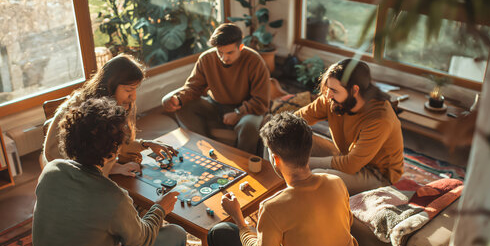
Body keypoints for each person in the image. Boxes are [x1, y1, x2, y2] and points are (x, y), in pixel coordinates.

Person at [32, 97, 204, 246]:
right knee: (175, 234)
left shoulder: (52, 170)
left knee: (119, 234)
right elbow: (143, 239)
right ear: (112, 150)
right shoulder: (112, 197)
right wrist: (160, 209)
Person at [207, 112, 363, 246]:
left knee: (218, 233)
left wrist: (239, 219)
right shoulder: (335, 182)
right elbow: (346, 223)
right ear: (307, 149)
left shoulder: (273, 207)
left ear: (275, 158)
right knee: (274, 235)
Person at [43, 54, 176, 176]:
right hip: (77, 179)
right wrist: (115, 168)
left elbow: (116, 144)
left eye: (135, 89)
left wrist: (146, 144)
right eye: (128, 90)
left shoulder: (115, 106)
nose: (133, 96)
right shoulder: (78, 112)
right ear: (110, 85)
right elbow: (59, 156)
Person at [295, 58, 404, 195]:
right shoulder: (332, 98)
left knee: (316, 176)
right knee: (285, 141)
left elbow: (351, 164)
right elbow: (297, 119)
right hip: (345, 156)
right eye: (328, 88)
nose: (328, 95)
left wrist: (302, 163)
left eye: (333, 90)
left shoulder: (379, 118)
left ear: (354, 90)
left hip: (376, 174)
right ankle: (281, 189)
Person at [161, 23, 270, 154]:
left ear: (241, 47)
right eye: (220, 52)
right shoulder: (206, 58)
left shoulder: (255, 61)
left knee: (250, 126)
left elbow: (261, 101)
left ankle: (244, 161)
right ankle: (204, 149)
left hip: (247, 110)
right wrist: (178, 99)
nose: (224, 58)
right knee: (183, 107)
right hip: (215, 105)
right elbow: (193, 87)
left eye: (230, 52)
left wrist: (238, 113)